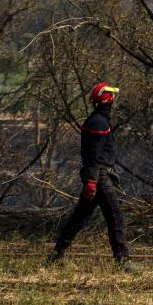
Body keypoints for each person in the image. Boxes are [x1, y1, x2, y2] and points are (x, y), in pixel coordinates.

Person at [50, 81, 133, 269]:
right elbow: (93, 156)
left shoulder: (98, 120)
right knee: (115, 216)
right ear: (108, 101)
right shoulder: (98, 122)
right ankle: (123, 260)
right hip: (99, 176)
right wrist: (91, 181)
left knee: (80, 216)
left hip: (97, 175)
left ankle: (57, 254)